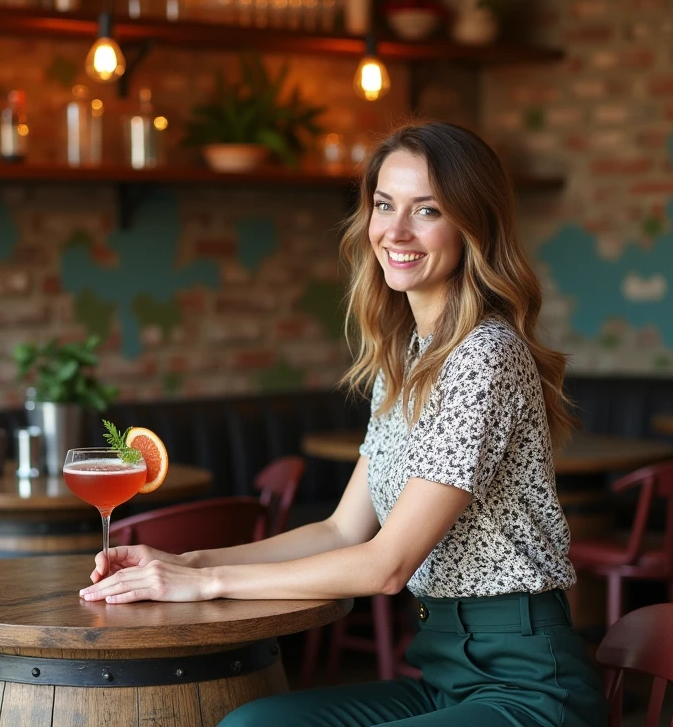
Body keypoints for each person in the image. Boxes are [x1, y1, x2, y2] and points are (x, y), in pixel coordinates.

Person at [79, 121, 607, 726]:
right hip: (446, 679)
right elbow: (340, 530)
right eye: (384, 204)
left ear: (473, 226)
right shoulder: (405, 359)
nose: (396, 231)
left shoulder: (485, 355)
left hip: (529, 690)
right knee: (253, 725)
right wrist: (186, 563)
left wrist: (207, 585)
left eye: (427, 210)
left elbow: (386, 566)